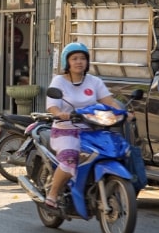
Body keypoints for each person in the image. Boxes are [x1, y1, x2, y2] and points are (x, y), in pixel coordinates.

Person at [44, 42, 126, 209]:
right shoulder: (59, 81)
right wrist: (59, 113)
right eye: (74, 58)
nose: (79, 62)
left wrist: (124, 112)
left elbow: (108, 101)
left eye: (82, 58)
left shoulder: (94, 81)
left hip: (91, 130)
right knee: (70, 159)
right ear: (67, 62)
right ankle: (52, 195)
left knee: (114, 151)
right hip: (65, 131)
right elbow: (52, 105)